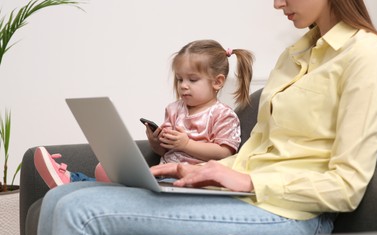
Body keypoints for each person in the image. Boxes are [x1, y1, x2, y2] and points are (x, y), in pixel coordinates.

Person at [37, 0, 377, 235]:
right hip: (244, 199)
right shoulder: (294, 55)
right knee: (57, 199)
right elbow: (256, 152)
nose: (277, 3)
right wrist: (192, 169)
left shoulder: (367, 56)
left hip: (290, 213)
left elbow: (347, 186)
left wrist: (252, 181)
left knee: (78, 212)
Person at [33, 39, 254, 189]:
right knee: (110, 172)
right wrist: (156, 141)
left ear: (217, 82)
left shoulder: (223, 115)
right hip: (162, 173)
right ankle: (74, 181)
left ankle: (73, 181)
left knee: (117, 181)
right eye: (179, 79)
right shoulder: (174, 109)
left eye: (192, 80)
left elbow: (225, 154)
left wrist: (186, 144)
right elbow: (163, 151)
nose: (184, 86)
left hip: (190, 180)